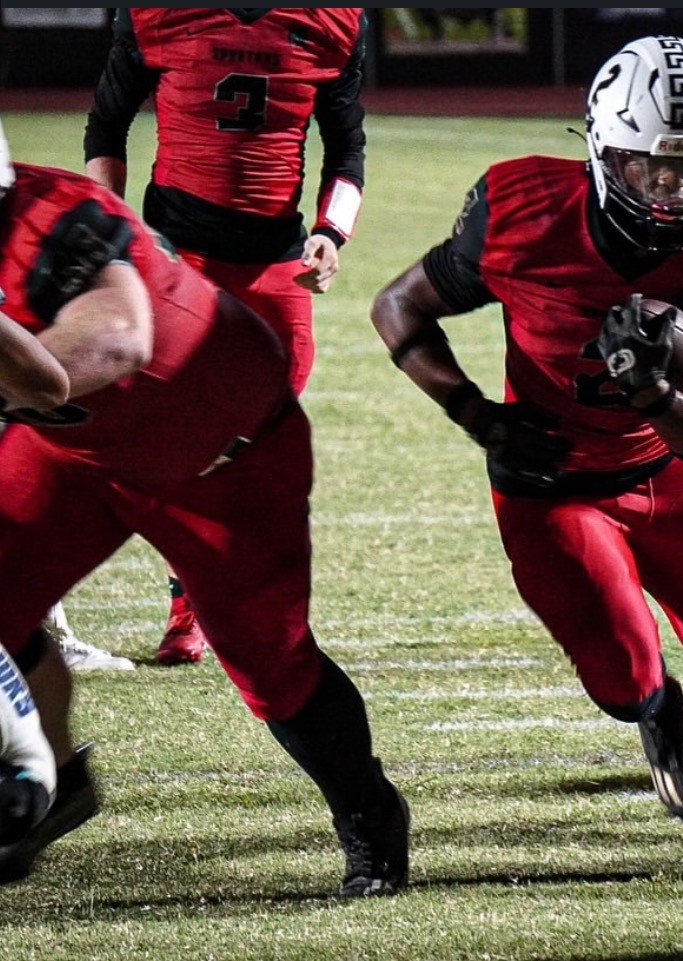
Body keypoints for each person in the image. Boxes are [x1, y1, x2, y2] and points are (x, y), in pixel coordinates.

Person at [370, 35, 683, 871]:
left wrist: (658, 395)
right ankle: (658, 715)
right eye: (654, 166)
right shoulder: (521, 210)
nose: (678, 189)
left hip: (671, 471)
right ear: (604, 150)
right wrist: (481, 417)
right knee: (621, 669)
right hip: (553, 484)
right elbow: (398, 306)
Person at [0, 119, 408, 895]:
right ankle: (49, 778)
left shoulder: (59, 215)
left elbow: (115, 340)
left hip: (225, 459)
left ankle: (369, 812)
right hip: (79, 452)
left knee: (271, 665)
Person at [77, 7, 368, 667]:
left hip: (276, 266)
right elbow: (108, 122)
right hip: (179, 261)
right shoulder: (158, 13)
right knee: (173, 443)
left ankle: (239, 607)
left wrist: (332, 230)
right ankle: (190, 611)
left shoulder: (334, 21)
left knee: (258, 450)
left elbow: (347, 143)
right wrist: (115, 232)